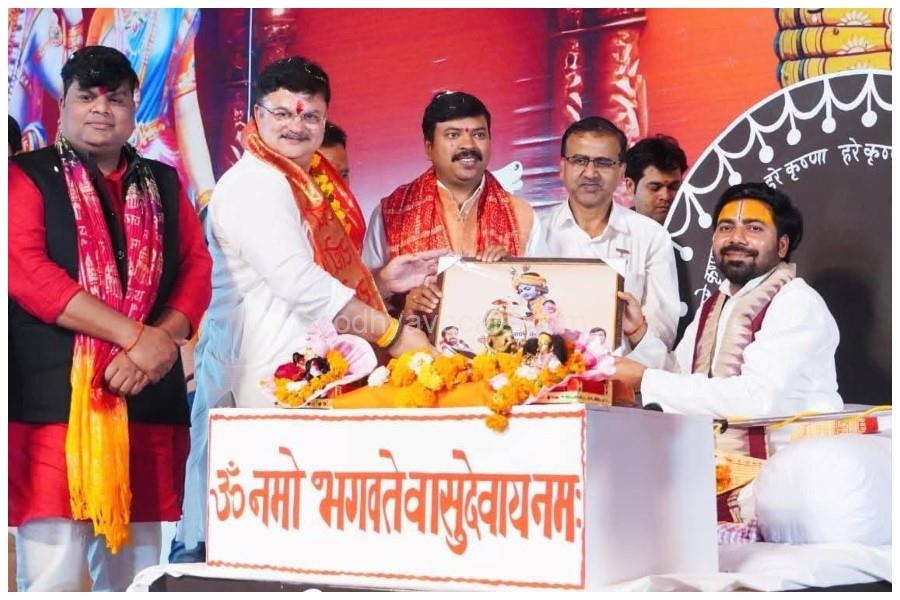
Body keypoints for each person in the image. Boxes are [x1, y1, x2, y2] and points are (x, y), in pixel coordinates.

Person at [177, 55, 442, 558]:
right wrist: (391, 334)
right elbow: (299, 284)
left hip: (298, 385)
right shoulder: (257, 183)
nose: (296, 126)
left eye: (310, 116)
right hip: (257, 389)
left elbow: (308, 277)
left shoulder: (304, 183)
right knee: (243, 555)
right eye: (282, 113)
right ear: (256, 117)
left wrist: (381, 282)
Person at [8, 46, 212, 591]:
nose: (101, 109)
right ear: (63, 106)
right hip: (56, 408)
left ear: (133, 109)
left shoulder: (164, 182)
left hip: (144, 402)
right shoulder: (24, 176)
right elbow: (27, 273)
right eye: (87, 97)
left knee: (137, 573)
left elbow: (196, 269)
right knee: (53, 577)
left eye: (116, 98)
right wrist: (139, 340)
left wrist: (159, 343)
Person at [612, 182, 843, 421]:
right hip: (714, 444)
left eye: (754, 228)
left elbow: (757, 399)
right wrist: (638, 332)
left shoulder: (796, 303)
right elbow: (680, 376)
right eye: (726, 227)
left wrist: (646, 379)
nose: (736, 238)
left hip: (789, 444)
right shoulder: (716, 305)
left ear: (782, 246)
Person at [362, 90, 543, 322]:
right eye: (453, 135)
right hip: (414, 343)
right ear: (429, 147)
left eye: (479, 134)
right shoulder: (392, 215)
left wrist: (511, 274)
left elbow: (544, 301)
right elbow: (364, 304)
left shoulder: (522, 216)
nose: (468, 144)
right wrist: (407, 309)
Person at [540, 116, 680, 355]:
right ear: (563, 167)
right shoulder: (536, 231)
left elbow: (663, 331)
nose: (590, 173)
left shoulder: (651, 236)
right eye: (579, 160)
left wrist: (636, 332)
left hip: (623, 374)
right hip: (548, 374)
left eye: (603, 163)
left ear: (621, 171)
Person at [86, 8, 216, 209]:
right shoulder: (104, 13)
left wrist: (207, 195)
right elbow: (83, 98)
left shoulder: (178, 13)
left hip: (155, 158)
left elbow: (186, 105)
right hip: (103, 159)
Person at [624, 134, 688, 225]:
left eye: (674, 187)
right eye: (655, 188)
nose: (666, 196)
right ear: (630, 186)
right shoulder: (611, 232)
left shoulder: (701, 229)